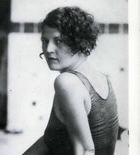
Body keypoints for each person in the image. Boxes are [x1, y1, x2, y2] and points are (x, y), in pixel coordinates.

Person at [23, 7, 119, 155]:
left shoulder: (67, 82)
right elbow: (50, 140)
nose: (48, 49)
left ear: (79, 42)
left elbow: (86, 150)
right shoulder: (102, 79)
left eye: (58, 41)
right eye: (45, 40)